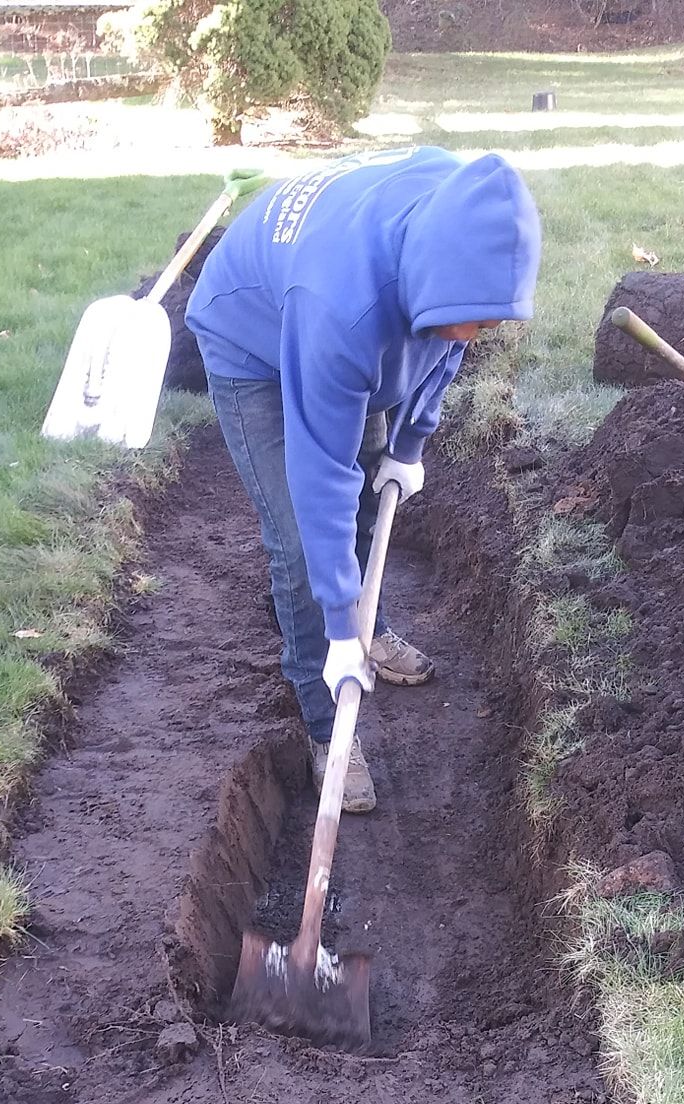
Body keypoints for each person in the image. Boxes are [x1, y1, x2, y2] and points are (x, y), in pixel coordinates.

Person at [186, 147, 541, 814]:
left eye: (492, 317)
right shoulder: (338, 308)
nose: (479, 332)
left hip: (363, 306)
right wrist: (338, 641)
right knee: (300, 541)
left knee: (366, 498)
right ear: (429, 275)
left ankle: (363, 619)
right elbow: (321, 472)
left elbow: (448, 344)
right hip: (253, 339)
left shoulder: (460, 228)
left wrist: (409, 442)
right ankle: (328, 728)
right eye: (473, 316)